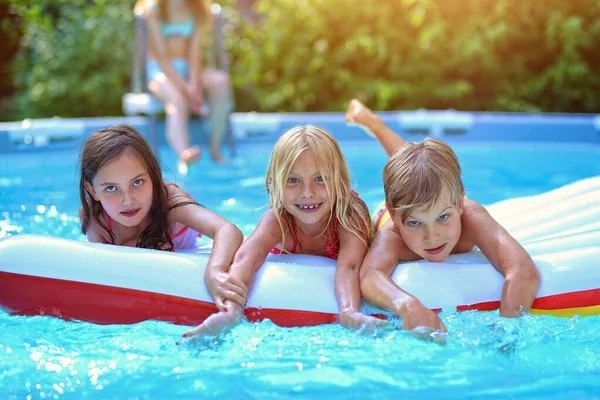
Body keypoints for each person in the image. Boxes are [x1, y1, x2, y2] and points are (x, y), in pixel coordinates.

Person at [345, 99, 541, 333]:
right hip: (385, 212)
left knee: (421, 171)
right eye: (415, 223)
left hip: (423, 201)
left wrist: (505, 334)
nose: (432, 236)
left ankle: (374, 123)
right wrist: (408, 305)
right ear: (396, 218)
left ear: (459, 204)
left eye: (443, 218)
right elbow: (368, 277)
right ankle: (374, 124)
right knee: (410, 171)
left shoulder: (470, 215)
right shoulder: (393, 234)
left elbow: (523, 271)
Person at [183, 125, 389, 337]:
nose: (307, 193)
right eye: (293, 180)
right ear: (273, 184)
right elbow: (246, 258)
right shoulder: (278, 221)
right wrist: (230, 312)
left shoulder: (349, 214)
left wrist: (348, 312)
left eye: (321, 179)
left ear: (341, 182)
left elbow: (350, 266)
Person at [79, 125, 244, 309]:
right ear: (92, 190)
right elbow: (102, 272)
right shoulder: (94, 218)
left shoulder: (169, 201)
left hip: (182, 241)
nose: (127, 200)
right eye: (111, 188)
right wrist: (136, 245)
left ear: (153, 177)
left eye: (137, 182)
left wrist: (214, 271)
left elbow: (228, 230)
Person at [135, 0, 234, 167]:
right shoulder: (153, 9)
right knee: (177, 100)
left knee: (221, 82)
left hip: (189, 71)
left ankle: (215, 148)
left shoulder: (197, 9)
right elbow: (162, 58)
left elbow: (195, 54)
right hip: (160, 71)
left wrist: (194, 85)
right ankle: (184, 153)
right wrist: (186, 89)